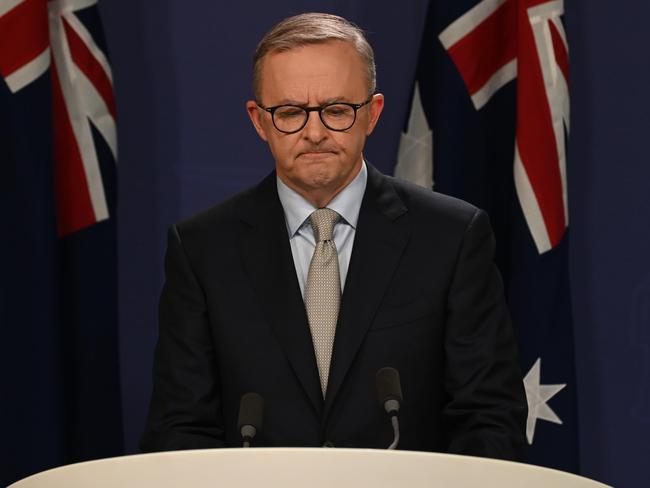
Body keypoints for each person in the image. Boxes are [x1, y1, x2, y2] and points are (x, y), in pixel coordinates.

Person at [141, 12, 527, 459]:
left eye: (337, 110)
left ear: (372, 114)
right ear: (258, 120)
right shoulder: (203, 250)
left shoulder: (452, 238)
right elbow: (180, 427)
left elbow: (489, 418)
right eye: (289, 112)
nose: (315, 132)